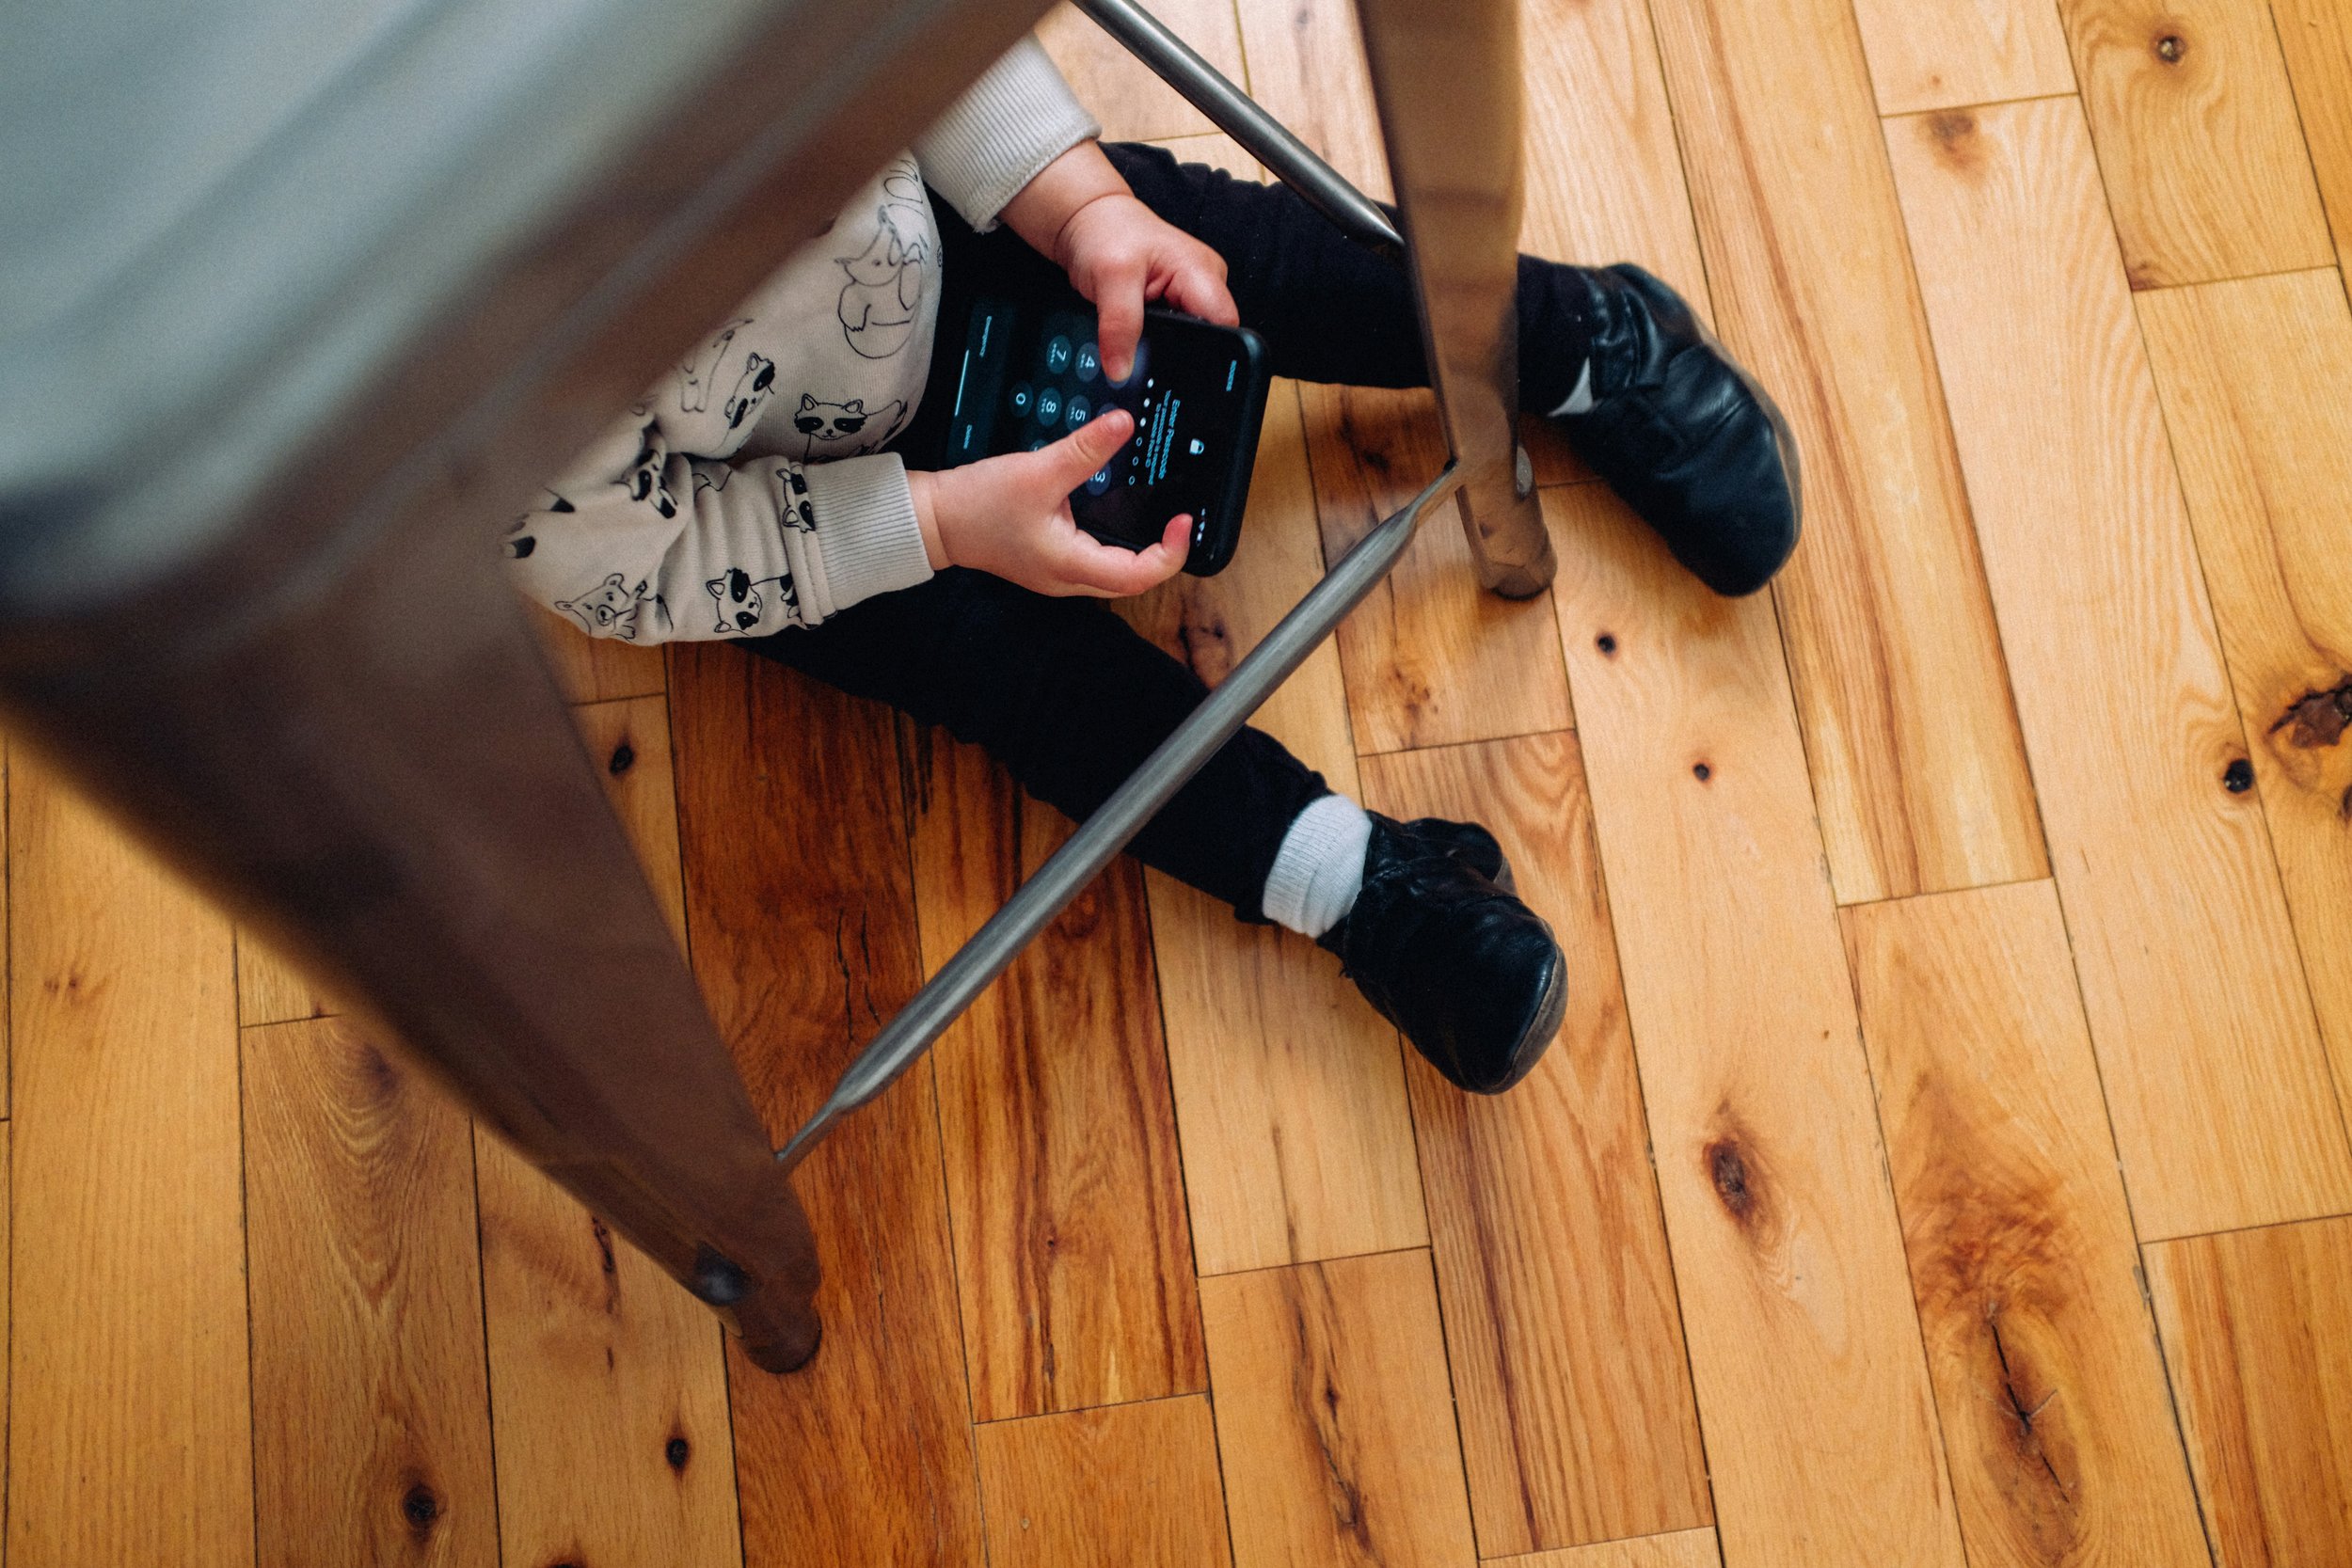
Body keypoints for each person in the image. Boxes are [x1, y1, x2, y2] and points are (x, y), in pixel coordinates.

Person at [508, 40, 1800, 1095]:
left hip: (970, 222)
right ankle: (1355, 885)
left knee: (1253, 272)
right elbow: (652, 561)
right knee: (1020, 683)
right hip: (811, 503)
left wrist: (1082, 203)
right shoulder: (419, 428)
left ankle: (1582, 337)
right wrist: (943, 522)